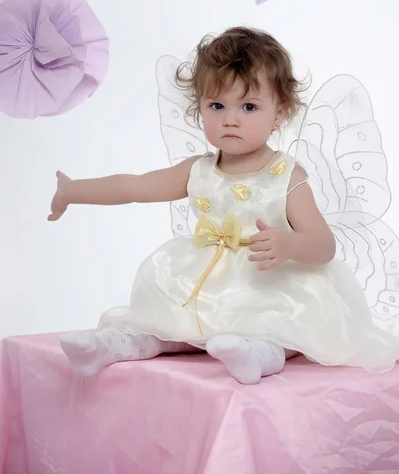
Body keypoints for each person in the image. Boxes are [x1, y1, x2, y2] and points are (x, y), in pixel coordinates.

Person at [49, 27, 399, 384]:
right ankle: (110, 346)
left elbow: (324, 245)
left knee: (287, 325)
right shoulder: (197, 170)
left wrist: (290, 243)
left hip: (269, 284)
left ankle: (257, 355)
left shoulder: (285, 176)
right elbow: (133, 186)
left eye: (248, 106)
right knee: (163, 319)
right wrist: (72, 191)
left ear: (280, 113)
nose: (230, 118)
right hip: (206, 283)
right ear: (199, 108)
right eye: (217, 105)